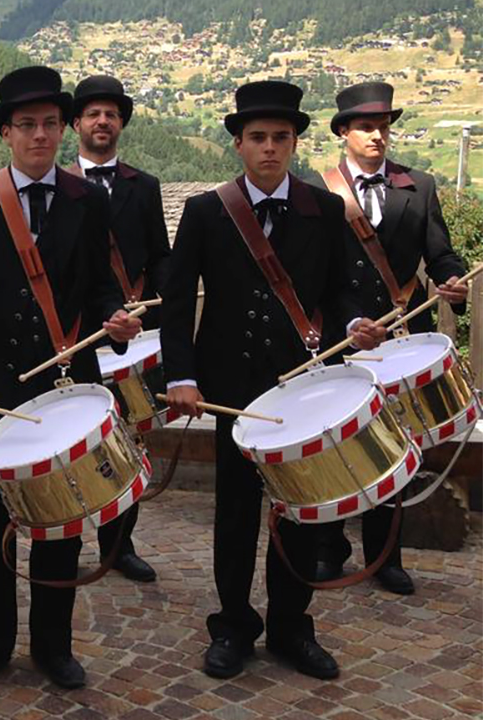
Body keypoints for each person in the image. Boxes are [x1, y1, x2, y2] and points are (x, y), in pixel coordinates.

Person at [161, 80, 385, 682]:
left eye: (280, 138)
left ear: (294, 143)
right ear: (237, 144)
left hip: (303, 389)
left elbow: (342, 292)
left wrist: (357, 323)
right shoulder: (209, 212)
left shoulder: (325, 207)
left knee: (300, 515)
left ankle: (291, 627)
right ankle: (232, 625)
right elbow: (178, 302)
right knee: (234, 513)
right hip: (232, 390)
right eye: (257, 138)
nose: (269, 149)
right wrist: (180, 374)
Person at [0, 66, 141, 695]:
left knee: (63, 525)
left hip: (68, 387)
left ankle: (54, 645)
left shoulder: (88, 198)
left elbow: (102, 284)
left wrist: (116, 316)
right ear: (5, 132)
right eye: (27, 125)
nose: (41, 135)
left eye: (51, 123)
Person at [309, 81, 469, 595]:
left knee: (397, 446)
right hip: (340, 337)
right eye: (366, 127)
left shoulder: (418, 186)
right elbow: (315, 274)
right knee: (335, 445)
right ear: (343, 133)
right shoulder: (319, 193)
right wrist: (344, 325)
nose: (378, 136)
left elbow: (439, 253)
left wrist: (454, 280)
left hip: (404, 335)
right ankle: (330, 547)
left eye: (384, 127)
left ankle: (385, 556)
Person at [67, 75, 170, 584]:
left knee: (128, 440)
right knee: (81, 440)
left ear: (121, 124)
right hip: (80, 337)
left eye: (111, 114)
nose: (102, 122)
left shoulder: (144, 186)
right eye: (93, 114)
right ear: (77, 125)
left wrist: (155, 316)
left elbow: (159, 258)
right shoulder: (57, 185)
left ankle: (119, 544)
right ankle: (66, 535)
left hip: (133, 331)